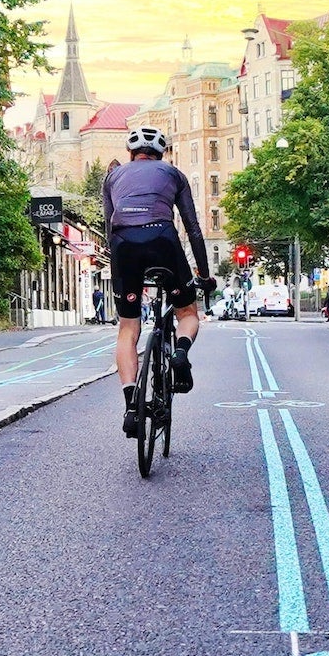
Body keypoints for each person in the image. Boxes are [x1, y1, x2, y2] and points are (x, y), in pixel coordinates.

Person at [103, 125, 213, 436]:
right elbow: (192, 228)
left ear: (130, 152)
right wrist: (204, 275)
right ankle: (179, 353)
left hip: (124, 246)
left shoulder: (112, 177)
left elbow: (110, 225)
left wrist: (121, 273)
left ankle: (131, 407)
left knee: (128, 328)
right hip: (163, 239)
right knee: (187, 313)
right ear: (162, 153)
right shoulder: (174, 174)